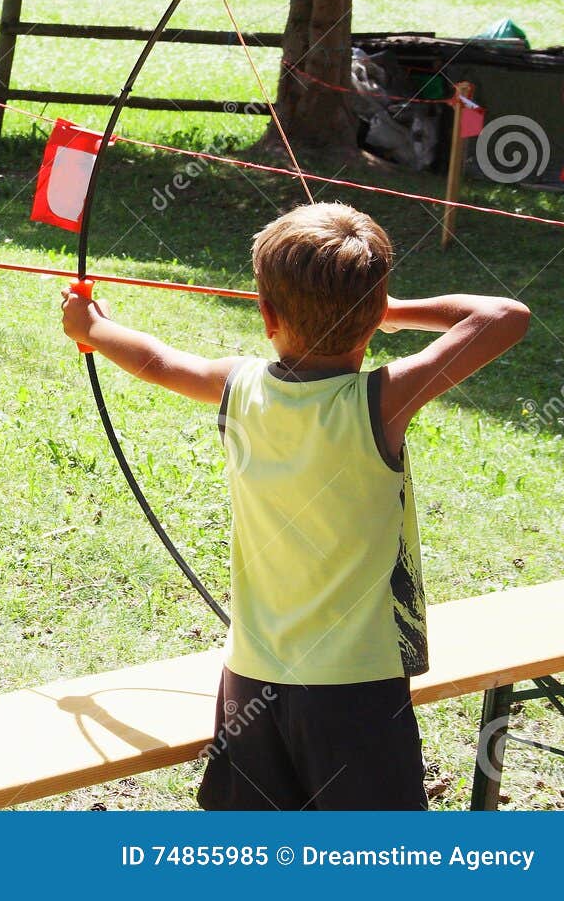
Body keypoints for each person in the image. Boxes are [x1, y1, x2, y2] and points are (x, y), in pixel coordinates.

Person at [60, 202, 530, 810]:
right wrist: (389, 312)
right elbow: (505, 317)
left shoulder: (238, 386)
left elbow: (157, 360)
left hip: (251, 681)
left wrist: (90, 327)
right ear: (370, 319)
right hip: (356, 694)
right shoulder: (380, 402)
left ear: (266, 315)